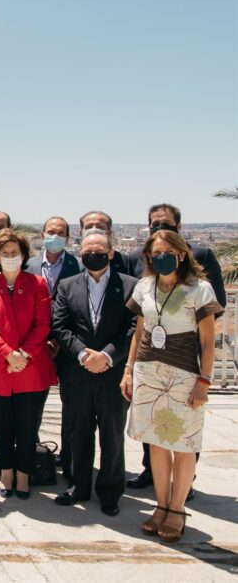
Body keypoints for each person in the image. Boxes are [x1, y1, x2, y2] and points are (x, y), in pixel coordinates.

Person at [121, 230, 221, 542]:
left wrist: (204, 381)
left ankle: (177, 510)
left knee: (184, 444)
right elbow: (140, 331)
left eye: (167, 251)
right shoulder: (144, 287)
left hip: (184, 375)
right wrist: (128, 370)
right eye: (154, 253)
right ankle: (161, 506)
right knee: (156, 443)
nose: (160, 257)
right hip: (148, 374)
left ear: (181, 254)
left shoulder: (199, 289)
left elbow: (208, 341)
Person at [51, 231, 137, 516]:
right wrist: (84, 354)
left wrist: (108, 356)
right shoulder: (66, 285)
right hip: (77, 373)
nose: (93, 254)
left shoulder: (129, 286)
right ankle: (79, 486)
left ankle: (110, 492)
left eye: (99, 249)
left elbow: (134, 329)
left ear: (111, 252)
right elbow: (60, 326)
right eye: (87, 250)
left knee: (112, 437)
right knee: (79, 433)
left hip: (112, 375)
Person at [0, 228, 56, 499]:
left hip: (29, 368)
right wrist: (7, 353)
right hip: (0, 366)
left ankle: (24, 475)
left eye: (15, 253)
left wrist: (22, 355)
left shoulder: (38, 284)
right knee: (4, 424)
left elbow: (43, 325)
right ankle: (5, 472)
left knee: (27, 426)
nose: (10, 257)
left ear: (23, 255)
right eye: (4, 253)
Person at [27, 215, 82, 478]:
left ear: (69, 238)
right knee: (33, 403)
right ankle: (32, 453)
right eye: (51, 231)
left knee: (70, 405)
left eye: (61, 232)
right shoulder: (29, 266)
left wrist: (60, 339)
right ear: (42, 234)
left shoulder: (79, 267)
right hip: (36, 345)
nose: (55, 236)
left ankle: (69, 460)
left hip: (67, 346)